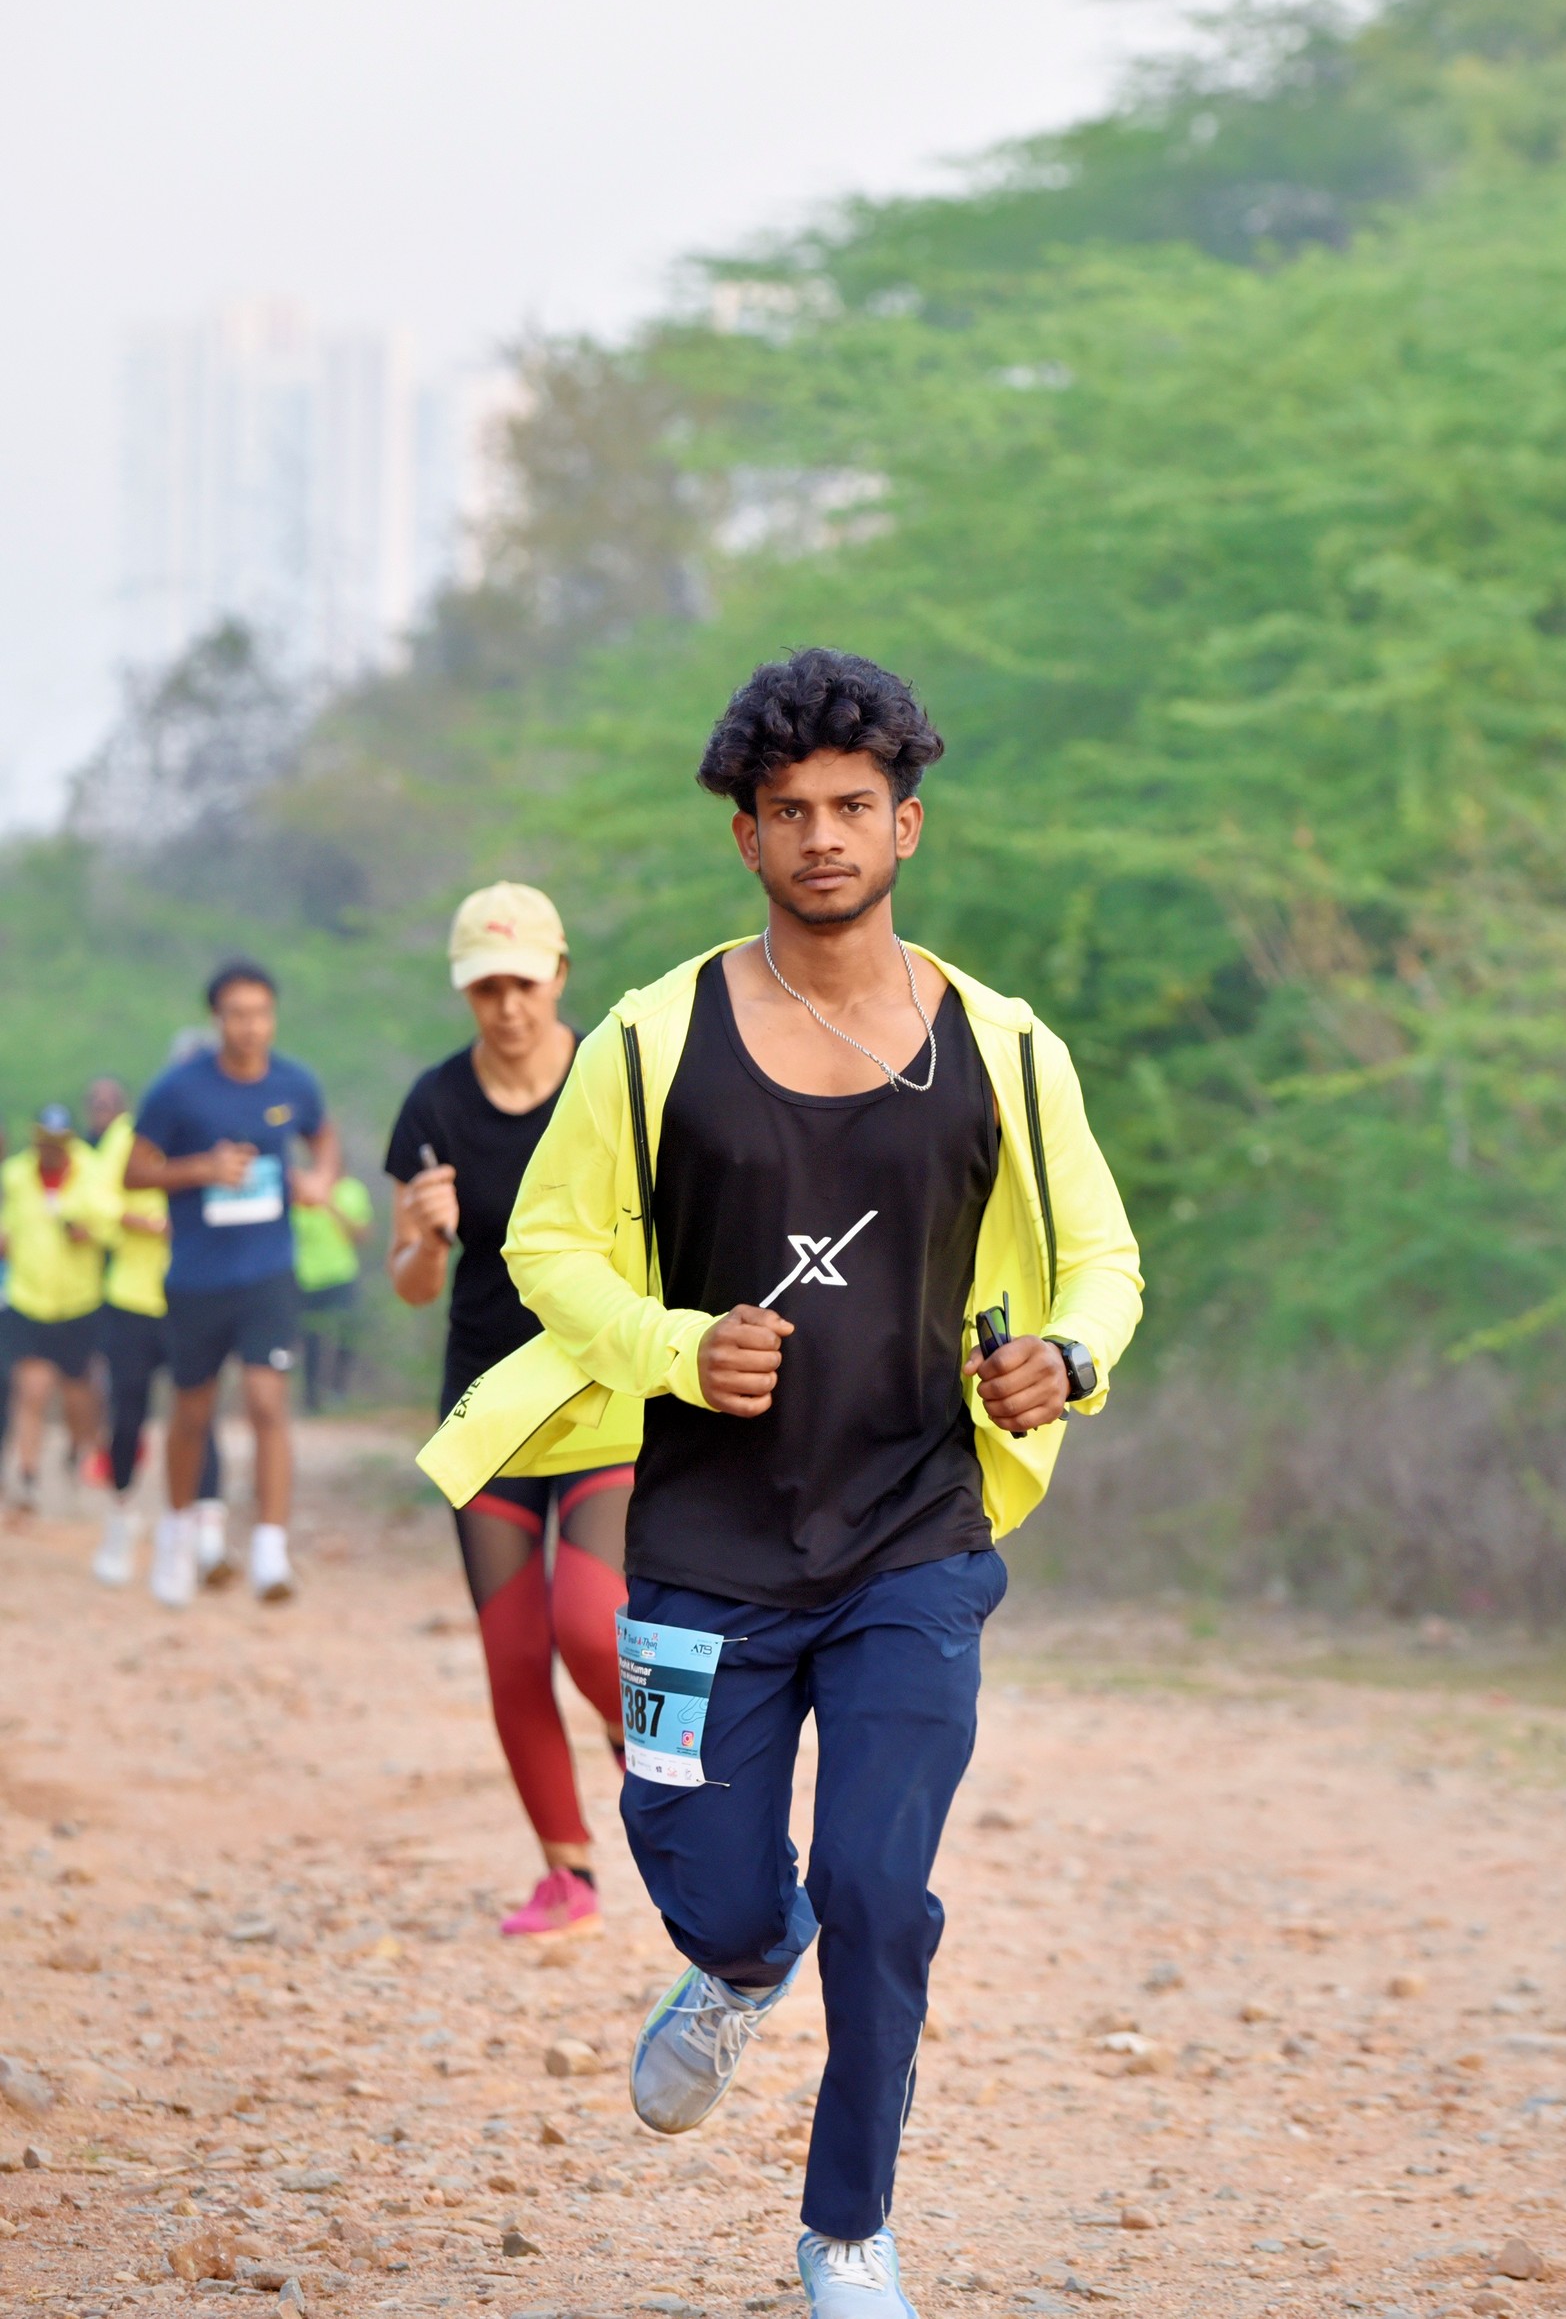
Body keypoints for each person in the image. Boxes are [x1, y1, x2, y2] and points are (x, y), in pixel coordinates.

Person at [419, 651, 1142, 2319]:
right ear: (745, 835)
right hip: (702, 1545)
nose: (824, 836)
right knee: (720, 1877)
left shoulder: (1004, 1047)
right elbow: (548, 1245)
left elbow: (1103, 1257)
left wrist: (1070, 1355)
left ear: (907, 825)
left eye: (853, 807)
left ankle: (849, 2231)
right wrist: (674, 1346)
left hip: (915, 1536)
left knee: (883, 1891)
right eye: (790, 810)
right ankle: (742, 1963)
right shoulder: (650, 1037)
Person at [387, 882, 629, 1937]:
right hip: (488, 1406)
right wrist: (426, 1236)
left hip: (603, 1388)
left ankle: (661, 1764)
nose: (508, 1005)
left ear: (559, 975)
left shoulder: (612, 1080)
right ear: (464, 991)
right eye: (486, 987)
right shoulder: (434, 1106)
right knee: (514, 1646)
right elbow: (409, 1282)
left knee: (589, 1620)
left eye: (524, 982)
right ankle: (566, 1875)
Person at [126, 959, 339, 1607]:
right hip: (197, 1276)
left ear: (273, 1016)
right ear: (216, 1018)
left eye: (261, 1013)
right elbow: (134, 1172)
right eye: (238, 1014)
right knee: (193, 1412)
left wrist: (320, 1179)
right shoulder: (177, 1089)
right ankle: (176, 1532)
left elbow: (322, 1137)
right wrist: (202, 1169)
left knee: (268, 1402)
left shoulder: (294, 1082)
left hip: (268, 1270)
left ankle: (271, 1550)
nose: (251, 1026)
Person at [84, 1074, 227, 1589]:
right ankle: (122, 1517)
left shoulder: (217, 1136)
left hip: (195, 1295)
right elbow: (95, 1202)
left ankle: (206, 1532)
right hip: (132, 1298)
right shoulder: (127, 1139)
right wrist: (140, 1223)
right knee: (128, 1415)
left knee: (199, 1412)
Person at [0, 1106, 109, 1516]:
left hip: (78, 1300)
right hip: (29, 1298)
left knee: (78, 1394)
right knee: (31, 1389)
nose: (51, 1148)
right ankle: (27, 1474)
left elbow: (109, 1221)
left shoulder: (91, 1172)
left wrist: (88, 1231)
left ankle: (77, 1454)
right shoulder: (15, 1176)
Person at [294, 1172, 373, 1411]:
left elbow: (361, 1235)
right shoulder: (300, 1189)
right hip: (306, 1278)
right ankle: (311, 1400)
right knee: (311, 1340)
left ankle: (339, 1392)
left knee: (347, 1334)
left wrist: (328, 1204)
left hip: (342, 1275)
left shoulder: (353, 1190)